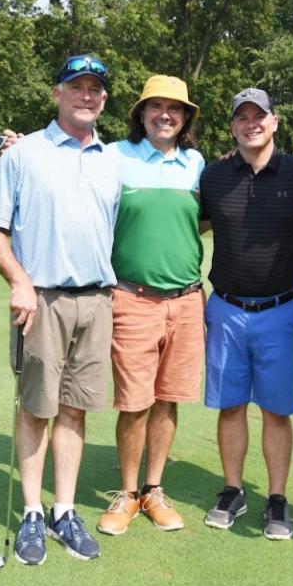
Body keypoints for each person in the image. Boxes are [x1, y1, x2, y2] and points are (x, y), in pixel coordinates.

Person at [0, 54, 122, 565]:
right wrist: (19, 281)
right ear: (57, 93)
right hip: (41, 300)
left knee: (75, 409)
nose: (86, 95)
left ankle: (64, 511)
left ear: (104, 99)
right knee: (37, 408)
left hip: (97, 301)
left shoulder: (112, 160)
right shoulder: (23, 155)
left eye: (95, 88)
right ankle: (33, 514)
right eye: (76, 86)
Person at [198, 88, 293, 540]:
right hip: (226, 308)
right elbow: (187, 224)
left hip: (279, 311)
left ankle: (277, 497)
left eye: (259, 116)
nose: (251, 124)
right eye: (242, 118)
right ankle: (233, 489)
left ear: (274, 122)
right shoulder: (214, 176)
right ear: (232, 127)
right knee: (230, 407)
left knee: (276, 411)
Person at [95, 76, 206, 536]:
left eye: (174, 108)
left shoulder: (197, 163)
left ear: (185, 118)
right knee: (134, 402)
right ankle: (126, 492)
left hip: (187, 301)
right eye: (155, 106)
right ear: (140, 114)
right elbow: (68, 163)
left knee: (167, 398)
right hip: (131, 297)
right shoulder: (114, 156)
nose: (165, 114)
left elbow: (200, 220)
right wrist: (21, 148)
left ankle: (153, 489)